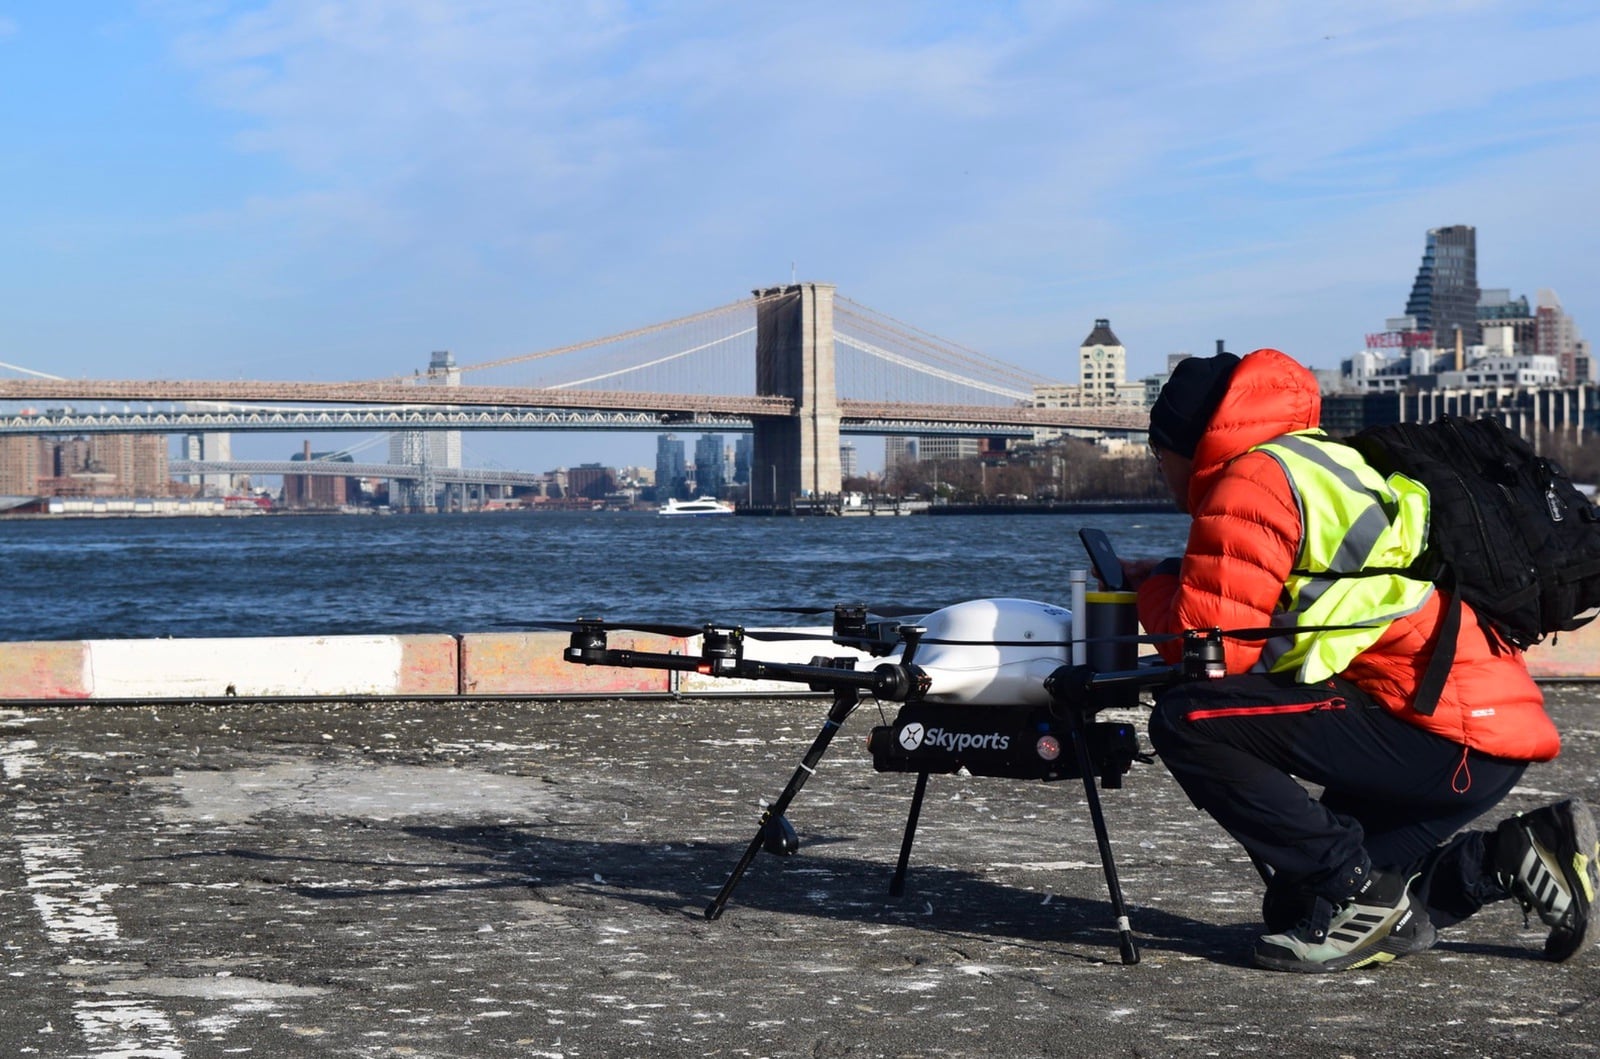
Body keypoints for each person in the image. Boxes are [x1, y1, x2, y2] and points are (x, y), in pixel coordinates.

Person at [1120, 347, 1598, 973]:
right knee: (1299, 905)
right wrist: (1180, 578)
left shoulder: (1248, 480)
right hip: (1481, 738)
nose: (1162, 476)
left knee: (1186, 720)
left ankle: (1362, 892)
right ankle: (1512, 855)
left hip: (1437, 733)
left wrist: (1151, 587)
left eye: (1159, 460)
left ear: (1184, 445)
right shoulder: (1327, 461)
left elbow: (1208, 654)